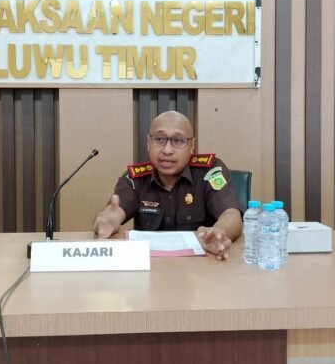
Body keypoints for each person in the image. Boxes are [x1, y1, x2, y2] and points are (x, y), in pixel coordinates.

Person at [93, 110, 242, 260]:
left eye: (178, 141)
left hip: (201, 267)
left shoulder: (210, 172)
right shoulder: (135, 178)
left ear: (191, 146)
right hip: (150, 267)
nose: (167, 150)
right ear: (148, 143)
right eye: (159, 139)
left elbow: (231, 215)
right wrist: (108, 220)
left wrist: (219, 232)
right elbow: (114, 213)